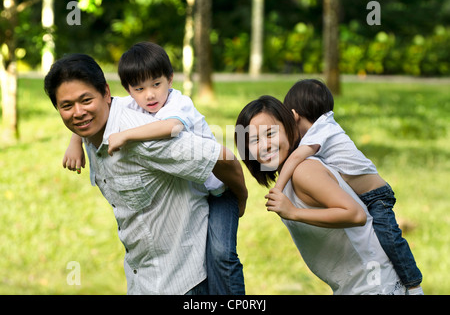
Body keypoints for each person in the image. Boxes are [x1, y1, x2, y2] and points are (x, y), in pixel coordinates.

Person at [44, 53, 247, 295]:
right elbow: (81, 119)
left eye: (86, 100)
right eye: (66, 106)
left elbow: (221, 157)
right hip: (143, 281)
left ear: (106, 93)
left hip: (183, 282)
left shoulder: (144, 138)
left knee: (225, 257)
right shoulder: (93, 128)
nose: (78, 112)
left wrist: (240, 196)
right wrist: (75, 140)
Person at [235, 95, 407, 294]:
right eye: (254, 140)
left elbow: (355, 214)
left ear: (290, 128)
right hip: (359, 284)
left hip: (374, 282)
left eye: (270, 134)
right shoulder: (291, 175)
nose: (264, 145)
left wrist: (294, 212)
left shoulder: (303, 171)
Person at [271, 79, 423, 294]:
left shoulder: (319, 131)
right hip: (366, 195)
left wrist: (278, 188)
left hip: (376, 196)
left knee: (391, 242)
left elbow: (295, 157)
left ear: (294, 115)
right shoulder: (325, 126)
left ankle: (415, 286)